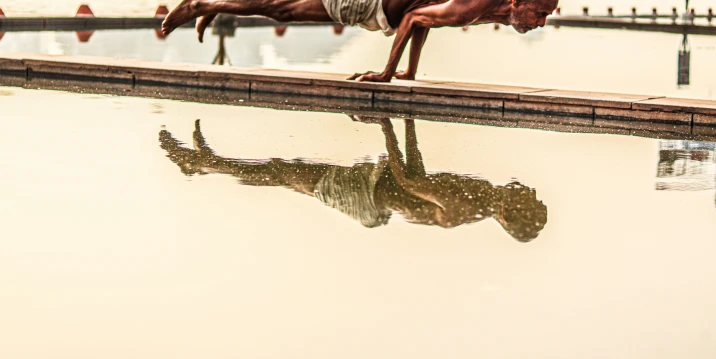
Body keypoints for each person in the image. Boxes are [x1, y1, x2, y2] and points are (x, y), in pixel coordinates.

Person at [159, 118, 548, 242]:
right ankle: (209, 163)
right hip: (376, 193)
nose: (525, 187)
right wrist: (404, 121)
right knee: (282, 171)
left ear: (511, 211)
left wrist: (389, 124)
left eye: (526, 196)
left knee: (281, 171)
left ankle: (204, 165)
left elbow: (409, 179)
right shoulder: (478, 199)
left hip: (366, 195)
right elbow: (416, 173)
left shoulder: (470, 205)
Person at [161, 0, 559, 83]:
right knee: (286, 10)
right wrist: (388, 74)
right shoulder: (474, 4)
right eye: (539, 13)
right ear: (519, 0)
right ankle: (201, 3)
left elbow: (424, 19)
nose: (540, 23)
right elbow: (416, 17)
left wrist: (409, 72)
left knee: (290, 0)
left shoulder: (490, 1)